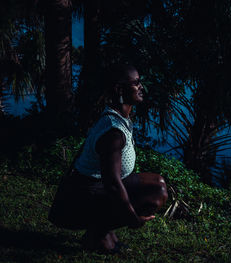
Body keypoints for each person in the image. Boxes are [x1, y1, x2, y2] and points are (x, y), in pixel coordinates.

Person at [48, 64, 168, 254]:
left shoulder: (117, 117)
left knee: (158, 183)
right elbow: (112, 184)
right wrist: (132, 219)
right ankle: (97, 235)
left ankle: (103, 230)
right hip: (80, 199)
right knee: (157, 192)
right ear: (120, 89)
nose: (141, 87)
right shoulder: (114, 133)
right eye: (136, 83)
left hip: (93, 190)